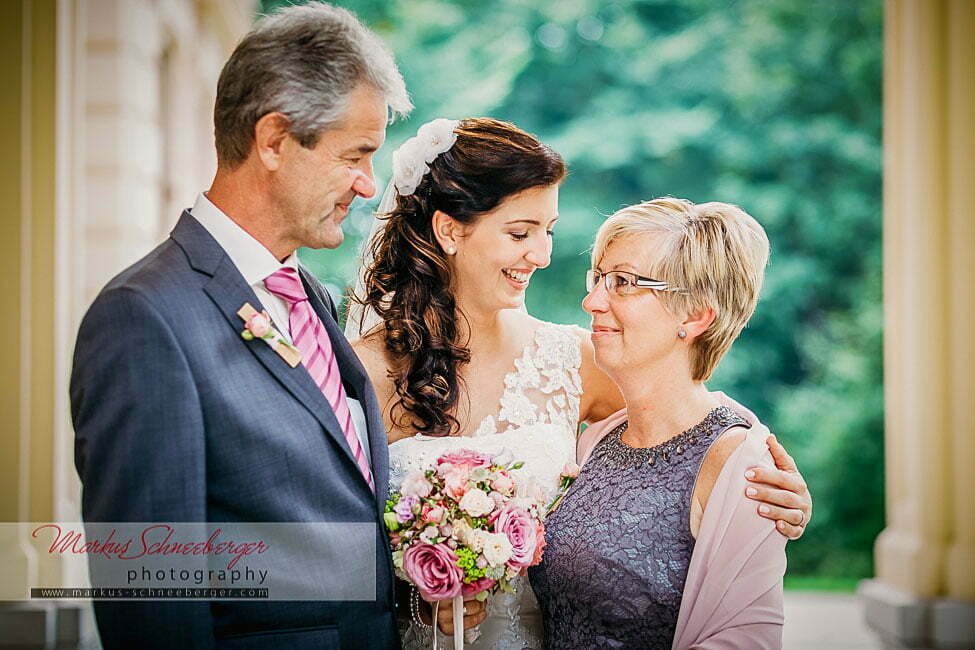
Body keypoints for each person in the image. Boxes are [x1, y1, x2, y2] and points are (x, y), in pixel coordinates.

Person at [348, 121, 810, 648]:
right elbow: (328, 552)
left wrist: (765, 477)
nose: (542, 256)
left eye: (550, 231)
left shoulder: (574, 360)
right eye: (521, 233)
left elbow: (684, 428)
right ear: (450, 231)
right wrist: (420, 601)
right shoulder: (362, 374)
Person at [70, 5, 411, 648]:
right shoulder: (144, 319)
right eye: (355, 156)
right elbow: (151, 604)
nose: (368, 186)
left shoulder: (311, 294)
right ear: (275, 139)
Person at [529, 197, 788, 649]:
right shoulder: (598, 439)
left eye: (623, 283)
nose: (591, 300)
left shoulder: (740, 463)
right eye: (599, 278)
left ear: (695, 315)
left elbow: (747, 640)